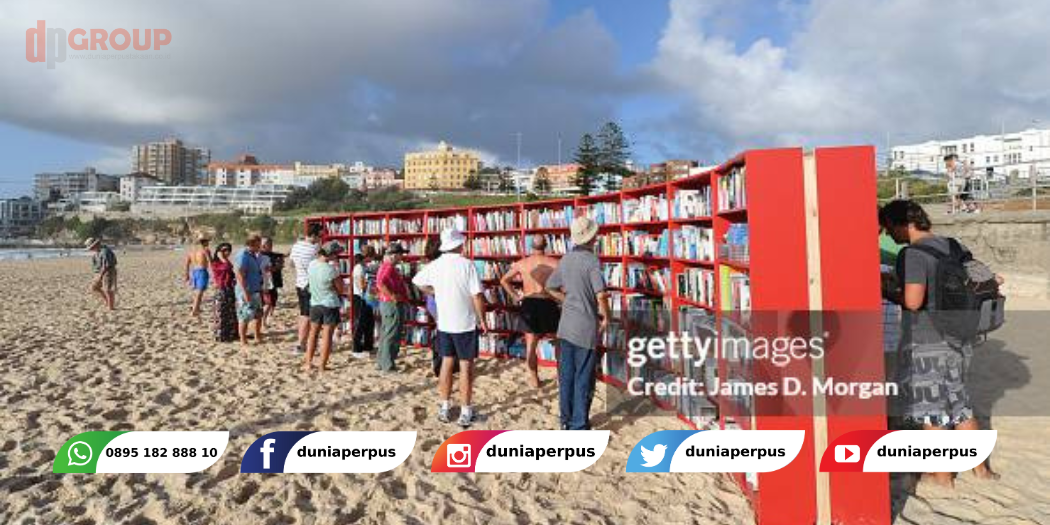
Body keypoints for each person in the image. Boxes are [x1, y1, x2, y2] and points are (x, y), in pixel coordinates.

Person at [881, 199, 999, 487]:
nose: (889, 235)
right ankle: (981, 471)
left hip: (928, 339)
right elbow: (985, 279)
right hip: (961, 336)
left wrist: (887, 290)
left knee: (932, 409)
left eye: (889, 228)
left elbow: (913, 301)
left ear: (903, 224)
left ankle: (943, 477)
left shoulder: (912, 254)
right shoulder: (954, 245)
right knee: (961, 404)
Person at [413, 229, 489, 427]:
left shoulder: (435, 265)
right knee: (466, 366)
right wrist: (483, 319)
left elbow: (417, 281)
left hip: (445, 323)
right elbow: (477, 296)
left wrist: (435, 292)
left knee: (446, 363)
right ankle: (465, 410)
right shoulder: (467, 265)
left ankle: (445, 407)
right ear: (459, 245)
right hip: (465, 322)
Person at [545, 217, 611, 430]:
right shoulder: (591, 261)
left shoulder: (566, 259)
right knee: (584, 376)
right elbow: (600, 295)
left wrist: (568, 301)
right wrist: (606, 317)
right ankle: (579, 424)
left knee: (567, 376)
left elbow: (550, 286)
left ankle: (566, 420)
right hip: (585, 326)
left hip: (566, 326)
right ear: (592, 238)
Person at [502, 234, 560, 387]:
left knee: (531, 345)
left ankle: (534, 379)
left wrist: (515, 296)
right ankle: (562, 376)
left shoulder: (522, 263)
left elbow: (504, 280)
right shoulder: (554, 263)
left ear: (531, 247)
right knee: (559, 342)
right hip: (548, 302)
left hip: (529, 302)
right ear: (546, 245)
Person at [303, 241, 346, 373]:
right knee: (327, 335)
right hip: (329, 304)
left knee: (313, 334)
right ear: (332, 254)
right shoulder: (332, 270)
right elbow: (340, 289)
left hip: (315, 302)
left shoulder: (312, 264)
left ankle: (308, 363)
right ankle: (322, 365)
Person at [376, 243, 410, 372]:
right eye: (401, 255)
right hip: (391, 304)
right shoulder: (388, 267)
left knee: (386, 333)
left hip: (387, 303)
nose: (402, 257)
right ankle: (388, 365)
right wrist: (392, 296)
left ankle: (382, 362)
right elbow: (380, 284)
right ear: (394, 255)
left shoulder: (386, 266)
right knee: (392, 334)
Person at [289, 224, 323, 354]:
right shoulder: (315, 248)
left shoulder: (296, 245)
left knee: (303, 314)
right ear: (313, 235)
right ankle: (301, 344)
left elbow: (291, 264)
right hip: (311, 284)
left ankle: (301, 342)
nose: (320, 239)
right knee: (309, 316)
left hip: (300, 283)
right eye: (319, 236)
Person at [234, 234, 265, 349]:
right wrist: (245, 291)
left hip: (256, 289)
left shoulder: (253, 255)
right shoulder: (243, 255)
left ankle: (257, 336)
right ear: (252, 244)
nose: (260, 247)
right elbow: (239, 274)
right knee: (244, 315)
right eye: (258, 244)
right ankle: (243, 340)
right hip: (246, 290)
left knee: (258, 314)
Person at [351, 246, 378, 359]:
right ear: (367, 257)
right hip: (360, 298)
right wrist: (371, 282)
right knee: (360, 323)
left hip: (366, 298)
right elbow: (361, 285)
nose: (372, 260)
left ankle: (368, 346)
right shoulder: (359, 268)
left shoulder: (364, 266)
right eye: (371, 257)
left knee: (369, 323)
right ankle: (356, 348)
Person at [210, 242, 238, 342]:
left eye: (228, 250)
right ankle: (221, 336)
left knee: (230, 313)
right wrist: (221, 257)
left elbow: (230, 268)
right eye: (224, 250)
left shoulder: (226, 261)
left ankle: (231, 334)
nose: (227, 252)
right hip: (221, 290)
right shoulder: (215, 263)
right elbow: (227, 267)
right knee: (221, 314)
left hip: (229, 289)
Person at [85, 237, 117, 310]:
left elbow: (106, 265)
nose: (91, 249)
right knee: (94, 287)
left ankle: (111, 306)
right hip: (99, 272)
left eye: (91, 247)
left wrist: (101, 275)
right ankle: (107, 302)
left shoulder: (105, 251)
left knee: (107, 289)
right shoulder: (97, 253)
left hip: (108, 272)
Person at [185, 234, 212, 318]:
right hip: (202, 271)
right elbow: (210, 262)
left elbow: (187, 263)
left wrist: (186, 274)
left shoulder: (192, 251)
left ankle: (197, 307)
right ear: (205, 242)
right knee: (200, 292)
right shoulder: (205, 250)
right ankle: (194, 310)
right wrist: (214, 274)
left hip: (194, 271)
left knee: (198, 291)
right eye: (208, 242)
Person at [260, 237, 284, 327]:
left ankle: (267, 317)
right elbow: (266, 269)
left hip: (273, 282)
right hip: (265, 283)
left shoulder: (274, 255)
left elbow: (280, 262)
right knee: (268, 302)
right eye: (266, 243)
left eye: (269, 243)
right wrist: (275, 267)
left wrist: (280, 264)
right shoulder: (259, 256)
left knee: (273, 300)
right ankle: (263, 321)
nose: (268, 245)